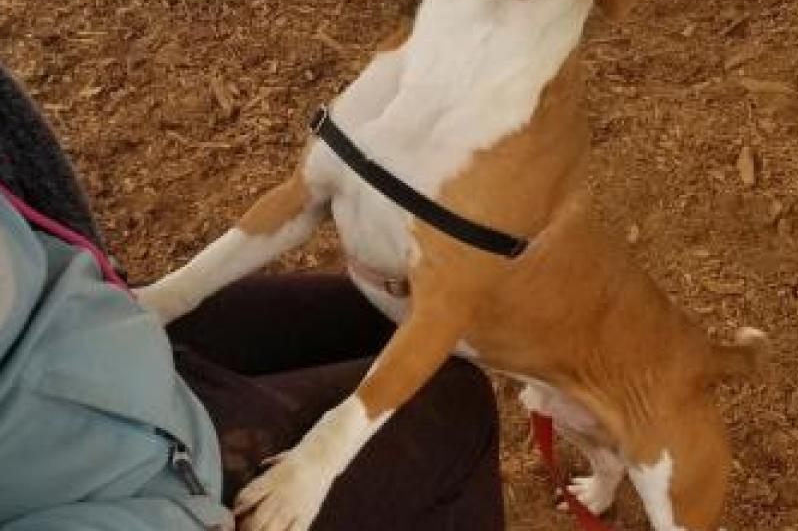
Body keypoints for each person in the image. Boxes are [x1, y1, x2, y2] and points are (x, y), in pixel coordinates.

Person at [0, 65, 504, 530]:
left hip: (96, 336)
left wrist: (150, 301)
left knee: (398, 325)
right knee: (458, 402)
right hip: (141, 483)